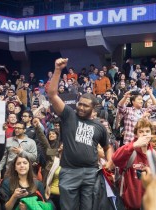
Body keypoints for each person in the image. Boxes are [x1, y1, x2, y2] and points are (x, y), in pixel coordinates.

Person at [47, 58, 113, 210]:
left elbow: (107, 146)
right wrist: (58, 70)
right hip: (69, 172)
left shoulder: (99, 126)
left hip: (91, 173)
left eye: (85, 106)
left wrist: (109, 161)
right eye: (80, 104)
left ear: (94, 108)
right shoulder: (69, 115)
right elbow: (52, 95)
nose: (81, 108)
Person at [112, 118, 156, 210]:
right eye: (141, 131)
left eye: (147, 131)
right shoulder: (129, 151)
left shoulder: (155, 155)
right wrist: (134, 145)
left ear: (151, 134)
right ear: (136, 134)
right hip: (128, 204)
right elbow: (115, 159)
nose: (145, 134)